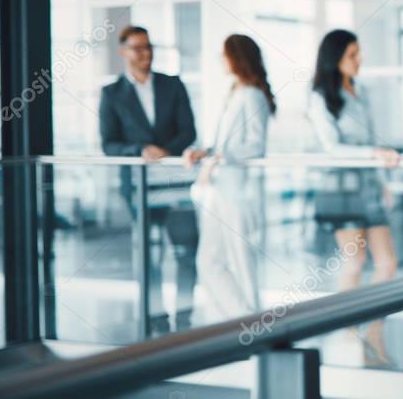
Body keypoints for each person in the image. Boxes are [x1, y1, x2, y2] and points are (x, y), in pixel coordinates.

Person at [307, 29, 400, 368]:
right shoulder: (319, 96)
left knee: (387, 262)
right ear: (335, 59)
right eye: (352, 54)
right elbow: (332, 148)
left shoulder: (361, 92)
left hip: (368, 185)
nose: (359, 60)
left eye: (359, 53)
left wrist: (382, 180)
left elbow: (373, 139)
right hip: (340, 188)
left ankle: (373, 327)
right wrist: (374, 154)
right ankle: (348, 332)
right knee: (356, 261)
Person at [99, 24, 198, 335]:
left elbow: (189, 130)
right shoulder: (111, 94)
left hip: (175, 184)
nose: (146, 54)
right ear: (123, 52)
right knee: (149, 256)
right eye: (138, 48)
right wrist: (140, 150)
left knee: (186, 252)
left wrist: (166, 151)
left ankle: (185, 317)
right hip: (139, 185)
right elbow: (109, 143)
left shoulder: (173, 85)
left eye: (149, 47)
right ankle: (156, 318)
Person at [184, 34, 275, 321]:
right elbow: (224, 142)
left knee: (242, 262)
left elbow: (256, 145)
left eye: (224, 54)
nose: (220, 60)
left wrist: (221, 154)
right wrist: (207, 151)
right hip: (218, 188)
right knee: (209, 261)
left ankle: (252, 324)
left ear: (237, 57)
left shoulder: (252, 94)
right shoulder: (234, 92)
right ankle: (241, 320)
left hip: (238, 191)